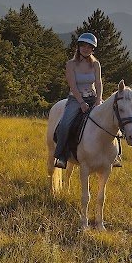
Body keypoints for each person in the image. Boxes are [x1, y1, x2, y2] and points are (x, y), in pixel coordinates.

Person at [53, 32, 103, 169]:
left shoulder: (96, 64)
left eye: (89, 46)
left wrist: (99, 99)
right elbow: (72, 85)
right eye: (83, 45)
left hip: (93, 98)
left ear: (93, 49)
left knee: (113, 116)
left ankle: (115, 155)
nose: (85, 48)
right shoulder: (71, 64)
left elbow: (98, 83)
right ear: (78, 47)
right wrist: (81, 102)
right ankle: (61, 156)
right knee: (64, 125)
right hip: (76, 99)